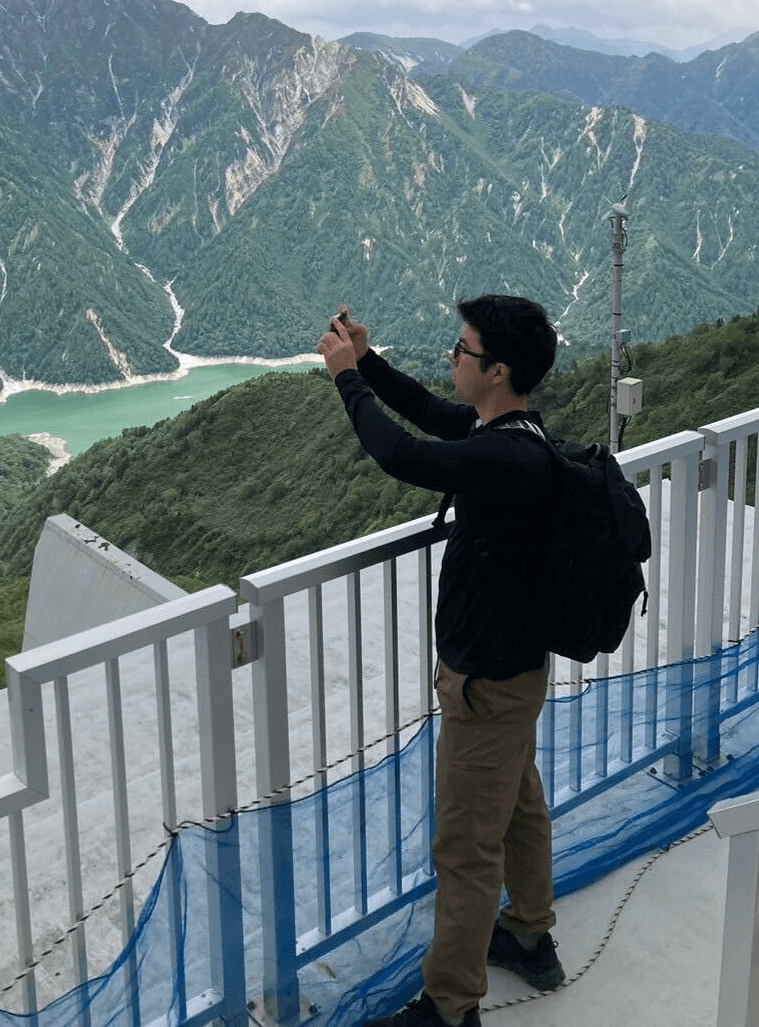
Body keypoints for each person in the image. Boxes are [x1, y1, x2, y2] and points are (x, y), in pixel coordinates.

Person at [316, 295, 566, 1027]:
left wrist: (344, 380)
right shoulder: (511, 430)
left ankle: (450, 1006)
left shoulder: (502, 455)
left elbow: (402, 453)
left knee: (464, 846)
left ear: (496, 370)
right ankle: (528, 932)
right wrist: (366, 361)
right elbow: (427, 411)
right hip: (513, 671)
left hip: (487, 680)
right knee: (519, 804)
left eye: (462, 349)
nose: (451, 358)